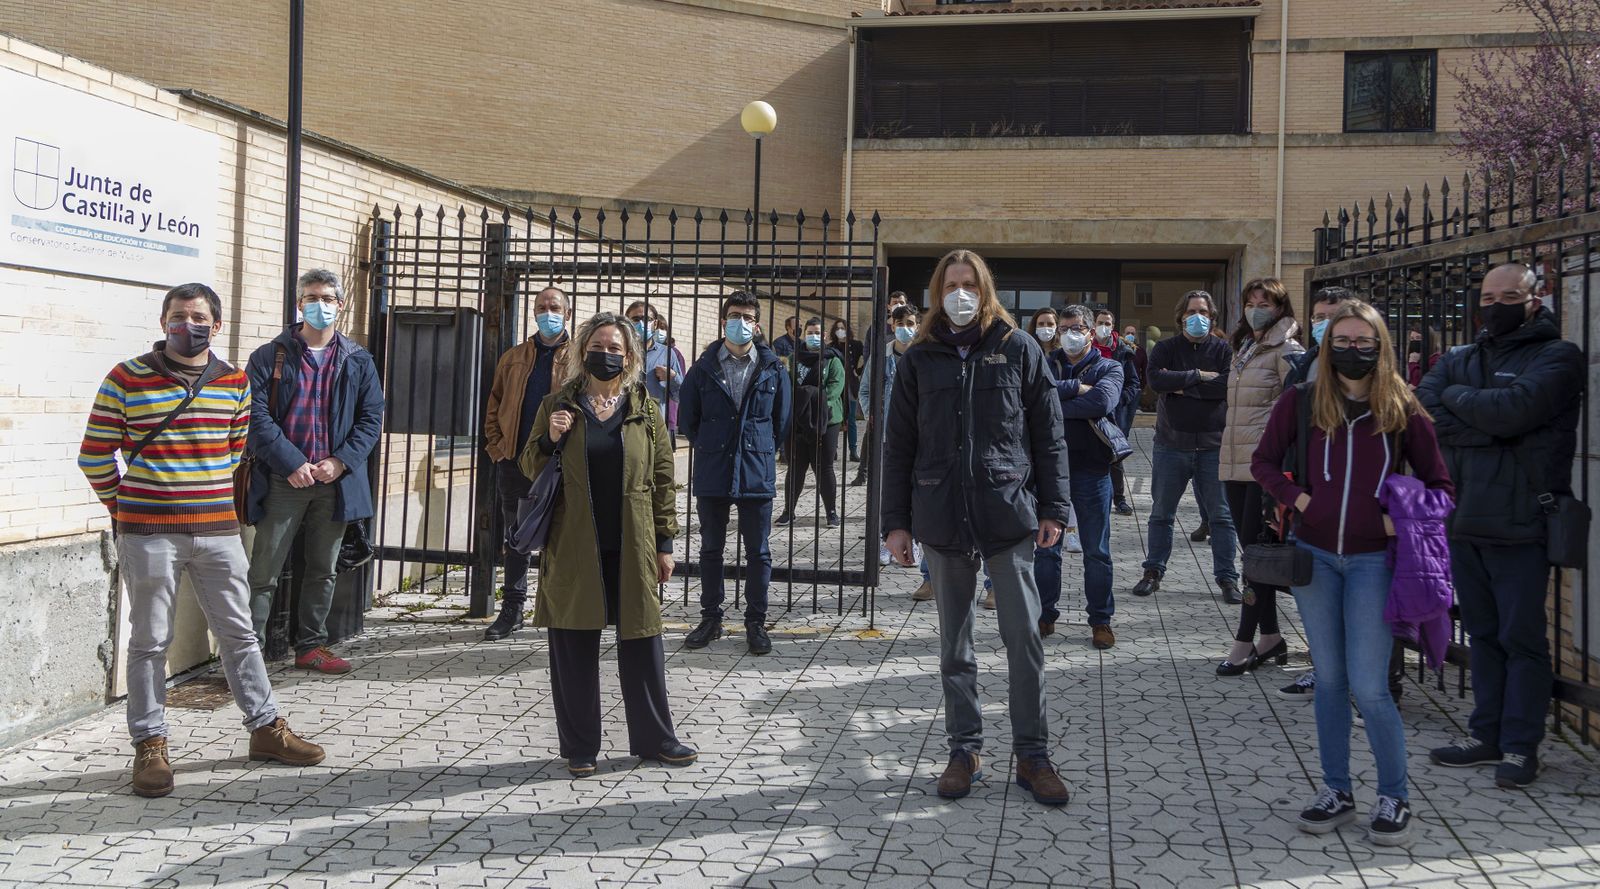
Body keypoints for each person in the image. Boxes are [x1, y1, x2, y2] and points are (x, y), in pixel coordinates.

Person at [78, 282, 325, 798]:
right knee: (149, 641)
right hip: (148, 534)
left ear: (215, 326)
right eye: (176, 316)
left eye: (196, 317)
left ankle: (265, 727)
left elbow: (234, 448)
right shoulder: (126, 378)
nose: (184, 325)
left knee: (239, 634)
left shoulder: (234, 381)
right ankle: (150, 744)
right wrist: (124, 507)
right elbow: (96, 455)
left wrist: (200, 490)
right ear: (163, 321)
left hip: (217, 532)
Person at [1252, 299, 1452, 846]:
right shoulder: (1301, 401)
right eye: (1342, 340)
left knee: (1370, 685)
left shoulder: (1402, 408)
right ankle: (1336, 790)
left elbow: (1441, 487)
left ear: (1381, 346)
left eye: (1364, 341)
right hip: (1315, 559)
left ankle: (1395, 795)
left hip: (1372, 564)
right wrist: (1299, 500)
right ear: (1326, 345)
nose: (1352, 350)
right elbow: (1262, 463)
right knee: (1331, 682)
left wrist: (1399, 520)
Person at [882, 248, 1073, 807]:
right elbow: (898, 448)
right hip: (941, 519)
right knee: (955, 649)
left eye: (969, 283)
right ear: (937, 293)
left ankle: (1032, 755)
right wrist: (895, 523)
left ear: (984, 289)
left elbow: (1049, 435)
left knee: (1025, 641)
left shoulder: (1018, 349)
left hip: (1006, 515)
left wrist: (1054, 508)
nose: (960, 293)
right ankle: (964, 749)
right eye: (950, 284)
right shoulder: (918, 359)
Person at [1421, 262, 1585, 789]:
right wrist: (1484, 420)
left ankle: (1520, 746)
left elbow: (1516, 412)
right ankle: (1485, 733)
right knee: (1483, 635)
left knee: (1522, 638)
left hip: (1521, 521)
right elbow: (1422, 412)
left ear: (1535, 299)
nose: (1495, 306)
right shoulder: (1460, 358)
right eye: (1487, 296)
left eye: (1509, 295)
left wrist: (1467, 409)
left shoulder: (1557, 355)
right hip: (1463, 520)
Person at [521, 312, 696, 777]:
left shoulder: (644, 408)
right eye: (599, 345)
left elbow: (663, 479)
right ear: (583, 352)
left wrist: (664, 542)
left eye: (616, 348)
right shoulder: (559, 403)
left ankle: (657, 738)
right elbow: (528, 465)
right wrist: (551, 436)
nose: (607, 354)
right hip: (575, 543)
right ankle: (580, 747)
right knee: (574, 645)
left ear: (629, 356)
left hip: (632, 541)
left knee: (642, 641)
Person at [245, 269, 385, 674]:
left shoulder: (358, 359)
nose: (318, 305)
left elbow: (371, 418)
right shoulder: (270, 356)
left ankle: (311, 646)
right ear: (298, 304)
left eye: (326, 298)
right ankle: (248, 652)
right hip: (283, 479)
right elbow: (254, 416)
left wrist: (340, 461)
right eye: (310, 298)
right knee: (264, 570)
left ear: (340, 306)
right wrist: (290, 463)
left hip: (334, 482)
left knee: (322, 569)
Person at [679, 292, 791, 655]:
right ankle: (711, 618)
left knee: (758, 551)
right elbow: (688, 420)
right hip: (713, 467)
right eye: (733, 315)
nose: (740, 322)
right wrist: (715, 442)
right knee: (711, 548)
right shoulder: (703, 367)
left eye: (746, 316)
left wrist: (757, 445)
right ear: (723, 319)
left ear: (756, 324)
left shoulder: (773, 368)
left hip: (756, 470)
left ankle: (755, 622)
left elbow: (781, 421)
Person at [1216, 278, 1305, 672]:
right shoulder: (1245, 346)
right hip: (1233, 464)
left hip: (1262, 469)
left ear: (1280, 307)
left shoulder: (1288, 351)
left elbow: (1294, 414)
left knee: (1254, 560)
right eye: (1250, 301)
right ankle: (1270, 638)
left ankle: (1244, 642)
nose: (1256, 308)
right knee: (1254, 556)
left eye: (1264, 302)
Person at [1276, 284, 1358, 702]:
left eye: (1335, 315)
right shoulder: (1303, 365)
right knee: (1316, 592)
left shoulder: (1375, 370)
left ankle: (1367, 683)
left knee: (1359, 600)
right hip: (1310, 499)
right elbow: (1278, 439)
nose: (1325, 324)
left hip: (1360, 504)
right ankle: (1324, 670)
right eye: (1319, 317)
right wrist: (1290, 495)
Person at [1132, 291, 1240, 602]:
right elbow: (1155, 381)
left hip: (1213, 445)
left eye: (1203, 311)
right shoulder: (1166, 348)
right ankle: (1153, 571)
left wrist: (1182, 386)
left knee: (1221, 516)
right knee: (1162, 514)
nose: (1197, 316)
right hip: (1171, 444)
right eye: (1191, 311)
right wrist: (1196, 377)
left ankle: (1227, 578)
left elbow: (1225, 387)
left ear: (1212, 316)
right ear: (1180, 316)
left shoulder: (1223, 350)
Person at [482, 286, 571, 640]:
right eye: (540, 307)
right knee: (516, 538)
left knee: (561, 537)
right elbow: (494, 403)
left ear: (567, 313)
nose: (546, 312)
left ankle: (558, 610)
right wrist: (497, 447)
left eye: (554, 307)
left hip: (559, 464)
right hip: (515, 461)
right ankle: (512, 609)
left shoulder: (578, 357)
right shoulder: (514, 357)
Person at [1042, 305, 1123, 648]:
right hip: (1049, 470)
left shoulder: (1110, 366)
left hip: (1092, 469)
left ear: (1091, 332)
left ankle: (1100, 621)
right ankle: (1044, 616)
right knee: (1046, 549)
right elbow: (1028, 400)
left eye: (1076, 328)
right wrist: (1078, 387)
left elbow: (1102, 403)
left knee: (1096, 551)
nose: (1068, 334)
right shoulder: (1045, 362)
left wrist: (1057, 398)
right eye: (1063, 328)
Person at [860, 305, 927, 592]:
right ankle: (887, 542)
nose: (905, 327)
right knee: (888, 491)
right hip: (889, 436)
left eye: (911, 323)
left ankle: (918, 543)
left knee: (922, 492)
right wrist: (873, 417)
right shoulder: (882, 355)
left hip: (923, 437)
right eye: (900, 322)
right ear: (892, 323)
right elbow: (865, 390)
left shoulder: (926, 354)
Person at [777, 317, 846, 528]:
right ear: (804, 334)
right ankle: (789, 511)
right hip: (797, 421)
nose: (814, 336)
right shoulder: (793, 358)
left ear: (824, 335)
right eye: (810, 333)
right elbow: (786, 385)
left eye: (817, 333)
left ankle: (831, 512)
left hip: (827, 419)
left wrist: (813, 401)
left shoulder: (832, 359)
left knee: (824, 467)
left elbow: (836, 386)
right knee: (796, 467)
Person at [1095, 307, 1142, 516]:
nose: (1104, 327)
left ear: (1113, 327)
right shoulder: (1085, 347)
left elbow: (1133, 383)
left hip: (1115, 414)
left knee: (1115, 457)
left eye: (1108, 323)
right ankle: (1098, 498)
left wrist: (1120, 400)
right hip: (1090, 411)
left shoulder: (1122, 350)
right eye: (1100, 323)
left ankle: (1119, 499)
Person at [624, 300, 683, 417]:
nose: (641, 324)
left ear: (655, 324)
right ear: (627, 323)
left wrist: (673, 377)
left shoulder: (667, 353)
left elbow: (680, 396)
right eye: (636, 319)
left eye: (647, 319)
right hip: (624, 422)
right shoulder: (620, 351)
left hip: (654, 423)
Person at [832, 319, 866, 462]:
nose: (840, 330)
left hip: (851, 386)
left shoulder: (857, 345)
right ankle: (833, 449)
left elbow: (866, 359)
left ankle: (853, 450)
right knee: (834, 419)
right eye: (838, 328)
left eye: (843, 328)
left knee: (851, 419)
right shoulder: (831, 347)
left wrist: (857, 372)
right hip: (835, 386)